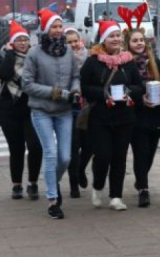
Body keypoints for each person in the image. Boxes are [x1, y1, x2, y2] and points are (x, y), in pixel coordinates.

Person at [22, 9, 80, 219]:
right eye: (53, 27)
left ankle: (51, 181)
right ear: (45, 29)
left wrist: (75, 90)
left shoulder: (68, 52)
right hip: (41, 110)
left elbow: (75, 76)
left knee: (65, 157)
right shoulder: (34, 53)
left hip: (64, 111)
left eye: (59, 26)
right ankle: (53, 200)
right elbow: (26, 84)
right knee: (51, 153)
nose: (57, 30)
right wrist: (53, 92)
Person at [80, 20, 144, 211]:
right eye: (111, 36)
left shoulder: (128, 61)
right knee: (103, 155)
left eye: (117, 35)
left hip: (124, 116)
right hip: (100, 117)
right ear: (103, 39)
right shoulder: (93, 61)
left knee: (119, 157)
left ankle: (116, 196)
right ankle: (98, 186)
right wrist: (104, 94)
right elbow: (84, 88)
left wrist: (128, 91)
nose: (116, 39)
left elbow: (139, 86)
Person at [0, 20, 43, 200]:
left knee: (36, 146)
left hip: (31, 109)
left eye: (25, 39)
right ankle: (16, 185)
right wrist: (9, 54)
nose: (23, 43)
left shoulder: (35, 59)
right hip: (9, 110)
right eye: (19, 40)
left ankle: (33, 183)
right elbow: (5, 73)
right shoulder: (3, 60)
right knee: (16, 149)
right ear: (12, 43)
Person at [123, 23, 160, 207]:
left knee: (150, 152)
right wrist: (140, 96)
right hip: (135, 114)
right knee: (141, 152)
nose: (139, 43)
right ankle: (143, 189)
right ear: (128, 43)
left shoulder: (153, 60)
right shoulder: (125, 63)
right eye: (135, 40)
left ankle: (140, 178)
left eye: (141, 40)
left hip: (155, 113)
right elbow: (124, 87)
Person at [64, 27, 90, 198]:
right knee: (73, 147)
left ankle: (81, 168)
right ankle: (74, 183)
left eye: (75, 41)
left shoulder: (89, 57)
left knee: (90, 145)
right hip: (70, 109)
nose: (73, 44)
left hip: (88, 107)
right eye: (69, 42)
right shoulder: (61, 60)